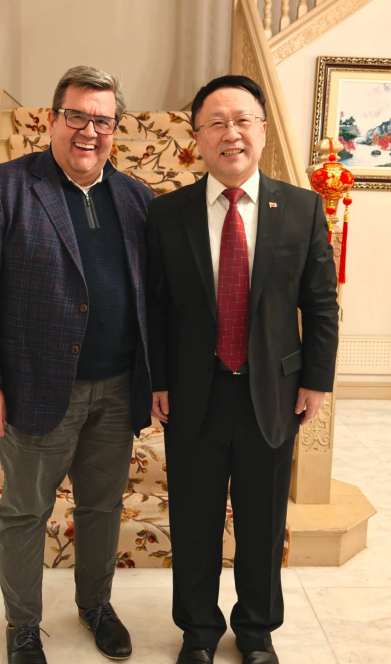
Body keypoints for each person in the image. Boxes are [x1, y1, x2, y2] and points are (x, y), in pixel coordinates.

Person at [0, 66, 154, 664]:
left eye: (103, 121)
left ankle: (96, 605)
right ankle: (23, 625)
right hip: (35, 386)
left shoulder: (138, 198)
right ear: (52, 118)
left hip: (117, 387)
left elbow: (154, 297)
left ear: (116, 129)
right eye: (77, 116)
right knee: (25, 511)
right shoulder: (4, 186)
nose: (89, 131)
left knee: (102, 506)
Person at [147, 75, 339, 664]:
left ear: (262, 130)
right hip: (193, 394)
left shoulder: (302, 207)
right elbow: (155, 306)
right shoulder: (167, 213)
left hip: (272, 393)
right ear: (197, 137)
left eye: (242, 120)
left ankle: (256, 631)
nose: (231, 134)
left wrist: (317, 380)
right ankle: (198, 632)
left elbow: (321, 302)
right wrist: (157, 380)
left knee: (263, 522)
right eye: (216, 122)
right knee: (194, 521)